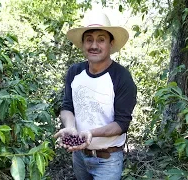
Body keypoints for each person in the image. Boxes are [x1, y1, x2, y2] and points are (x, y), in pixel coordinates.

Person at [54, 10, 137, 180]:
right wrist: (70, 126)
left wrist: (91, 132)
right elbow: (67, 107)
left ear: (110, 44)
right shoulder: (75, 72)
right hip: (79, 156)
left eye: (101, 39)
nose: (94, 45)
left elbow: (122, 124)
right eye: (89, 39)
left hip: (108, 160)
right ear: (83, 43)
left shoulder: (122, 78)